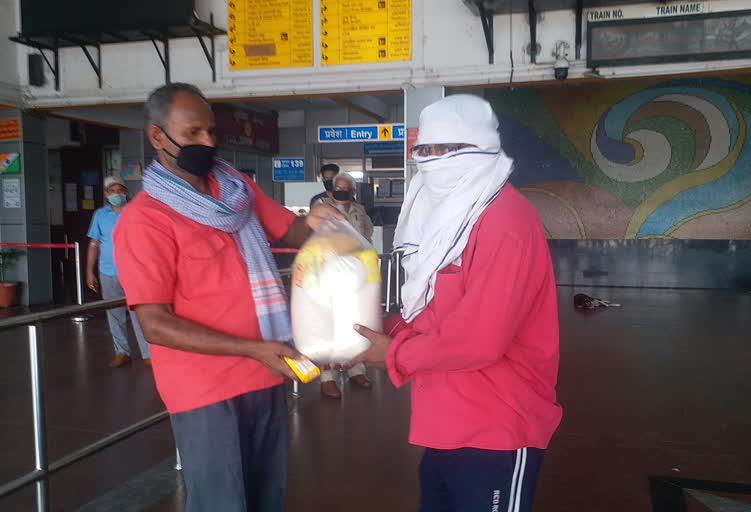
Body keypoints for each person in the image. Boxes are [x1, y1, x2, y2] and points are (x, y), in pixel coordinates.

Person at [112, 83, 341, 512]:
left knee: (265, 497)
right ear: (158, 136)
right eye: (194, 132)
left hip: (267, 373)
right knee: (223, 502)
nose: (208, 142)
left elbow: (291, 233)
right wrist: (253, 350)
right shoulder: (144, 221)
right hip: (206, 390)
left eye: (212, 132)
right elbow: (154, 324)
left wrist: (317, 221)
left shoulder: (235, 190)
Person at [346, 95, 562, 512]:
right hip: (444, 423)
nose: (434, 160)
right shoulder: (441, 221)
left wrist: (392, 354)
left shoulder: (504, 222)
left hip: (497, 427)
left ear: (482, 147)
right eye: (425, 150)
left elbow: (480, 341)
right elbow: (434, 317)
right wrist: (370, 332)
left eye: (448, 149)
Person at [315, 171, 374, 398]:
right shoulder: (322, 206)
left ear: (352, 191)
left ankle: (356, 369)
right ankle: (327, 378)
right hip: (328, 275)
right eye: (336, 186)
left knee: (356, 325)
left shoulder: (360, 211)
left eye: (344, 188)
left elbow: (367, 239)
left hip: (356, 276)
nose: (339, 191)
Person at [86, 176, 151, 368]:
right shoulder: (100, 215)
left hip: (133, 271)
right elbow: (93, 244)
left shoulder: (136, 212)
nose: (117, 194)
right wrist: (89, 272)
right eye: (112, 191)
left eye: (121, 190)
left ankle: (148, 353)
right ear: (106, 194)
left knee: (139, 313)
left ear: (126, 192)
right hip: (107, 271)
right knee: (114, 314)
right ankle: (122, 352)